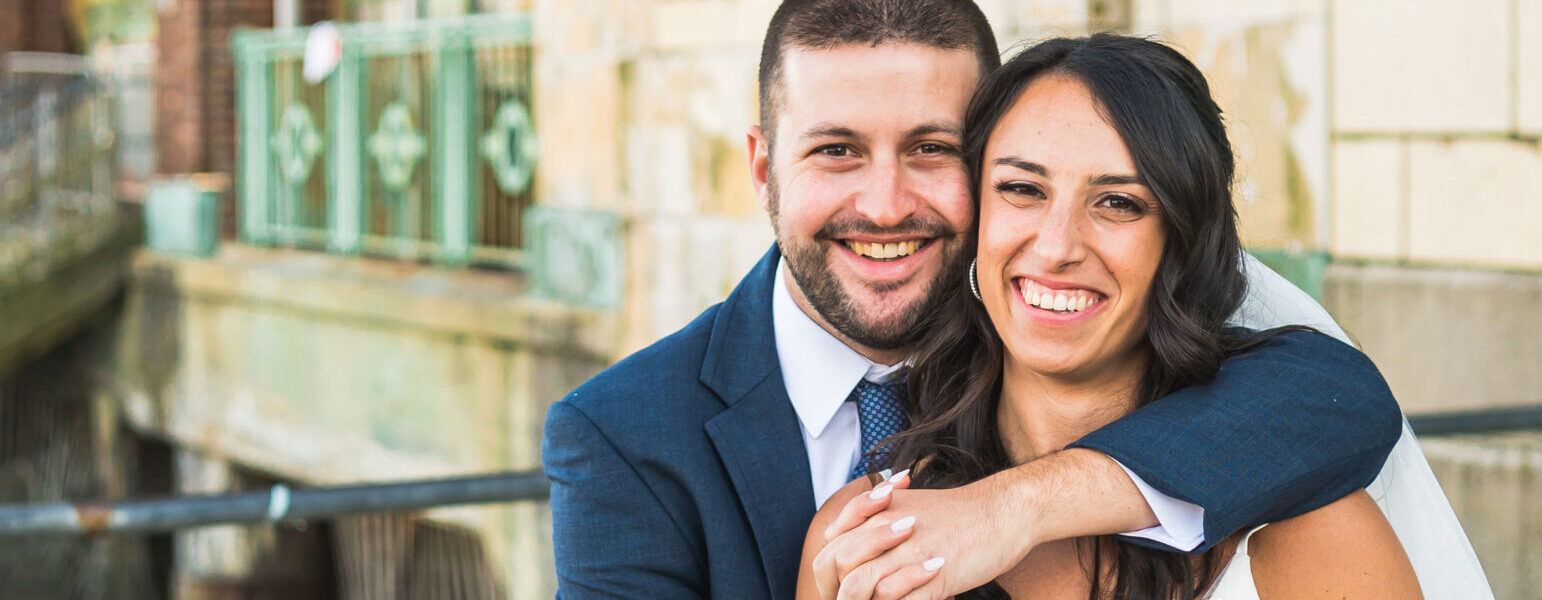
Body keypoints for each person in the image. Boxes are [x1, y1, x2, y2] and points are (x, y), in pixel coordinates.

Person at [543, 1, 1465, 598]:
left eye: (931, 149)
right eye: (835, 150)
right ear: (761, 167)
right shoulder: (626, 439)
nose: (885, 205)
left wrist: (1011, 507)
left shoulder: (1272, 430)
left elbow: (1336, 400)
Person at [797, 34, 1428, 600]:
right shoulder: (864, 534)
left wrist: (1007, 509)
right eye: (1022, 189)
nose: (1056, 247)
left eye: (1119, 203)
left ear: (1181, 245)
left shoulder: (1311, 535)